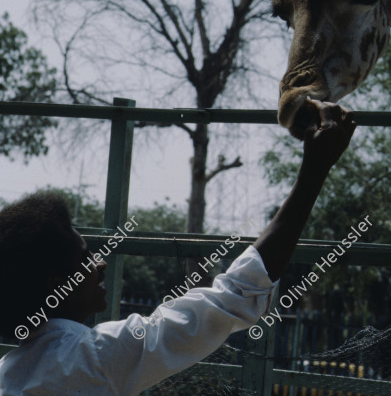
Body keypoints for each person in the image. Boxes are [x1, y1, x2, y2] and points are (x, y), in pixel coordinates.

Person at [0, 100, 356, 396]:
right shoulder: (96, 358)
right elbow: (234, 297)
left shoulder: (9, 372)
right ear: (53, 283)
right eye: (84, 258)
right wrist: (315, 168)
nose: (100, 263)